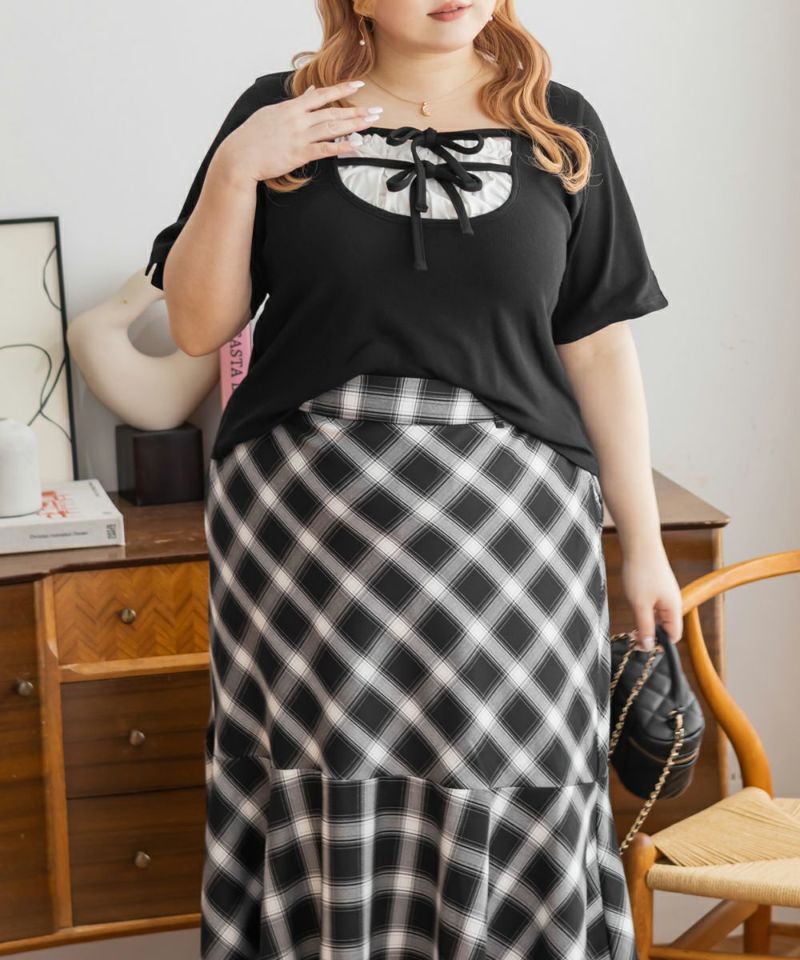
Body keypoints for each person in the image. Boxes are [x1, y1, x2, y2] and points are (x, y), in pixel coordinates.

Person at [146, 2, 682, 957]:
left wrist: (642, 546)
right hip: (309, 538)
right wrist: (236, 168)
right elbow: (197, 329)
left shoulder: (559, 123)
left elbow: (598, 347)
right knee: (322, 766)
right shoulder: (281, 111)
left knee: (515, 762)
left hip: (517, 538)